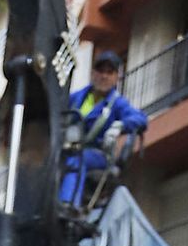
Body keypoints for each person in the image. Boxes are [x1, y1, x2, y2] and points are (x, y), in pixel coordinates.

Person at [60, 50, 148, 209]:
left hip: (97, 155)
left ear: (116, 78)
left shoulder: (117, 103)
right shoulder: (78, 97)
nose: (104, 76)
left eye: (110, 72)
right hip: (68, 149)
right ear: (93, 73)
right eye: (101, 71)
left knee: (77, 159)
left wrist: (120, 126)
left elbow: (140, 118)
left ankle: (68, 204)